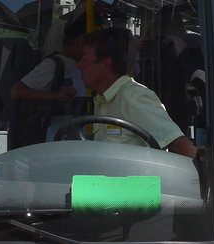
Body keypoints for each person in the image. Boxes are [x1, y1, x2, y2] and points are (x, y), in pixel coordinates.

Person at [77, 27, 196, 158]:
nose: (79, 65)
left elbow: (178, 143)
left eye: (84, 58)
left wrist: (204, 174)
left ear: (105, 64)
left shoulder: (134, 97)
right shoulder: (101, 99)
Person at [10, 17, 86, 145]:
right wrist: (53, 96)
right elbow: (17, 90)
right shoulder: (53, 65)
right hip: (56, 139)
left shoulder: (82, 67)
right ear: (78, 44)